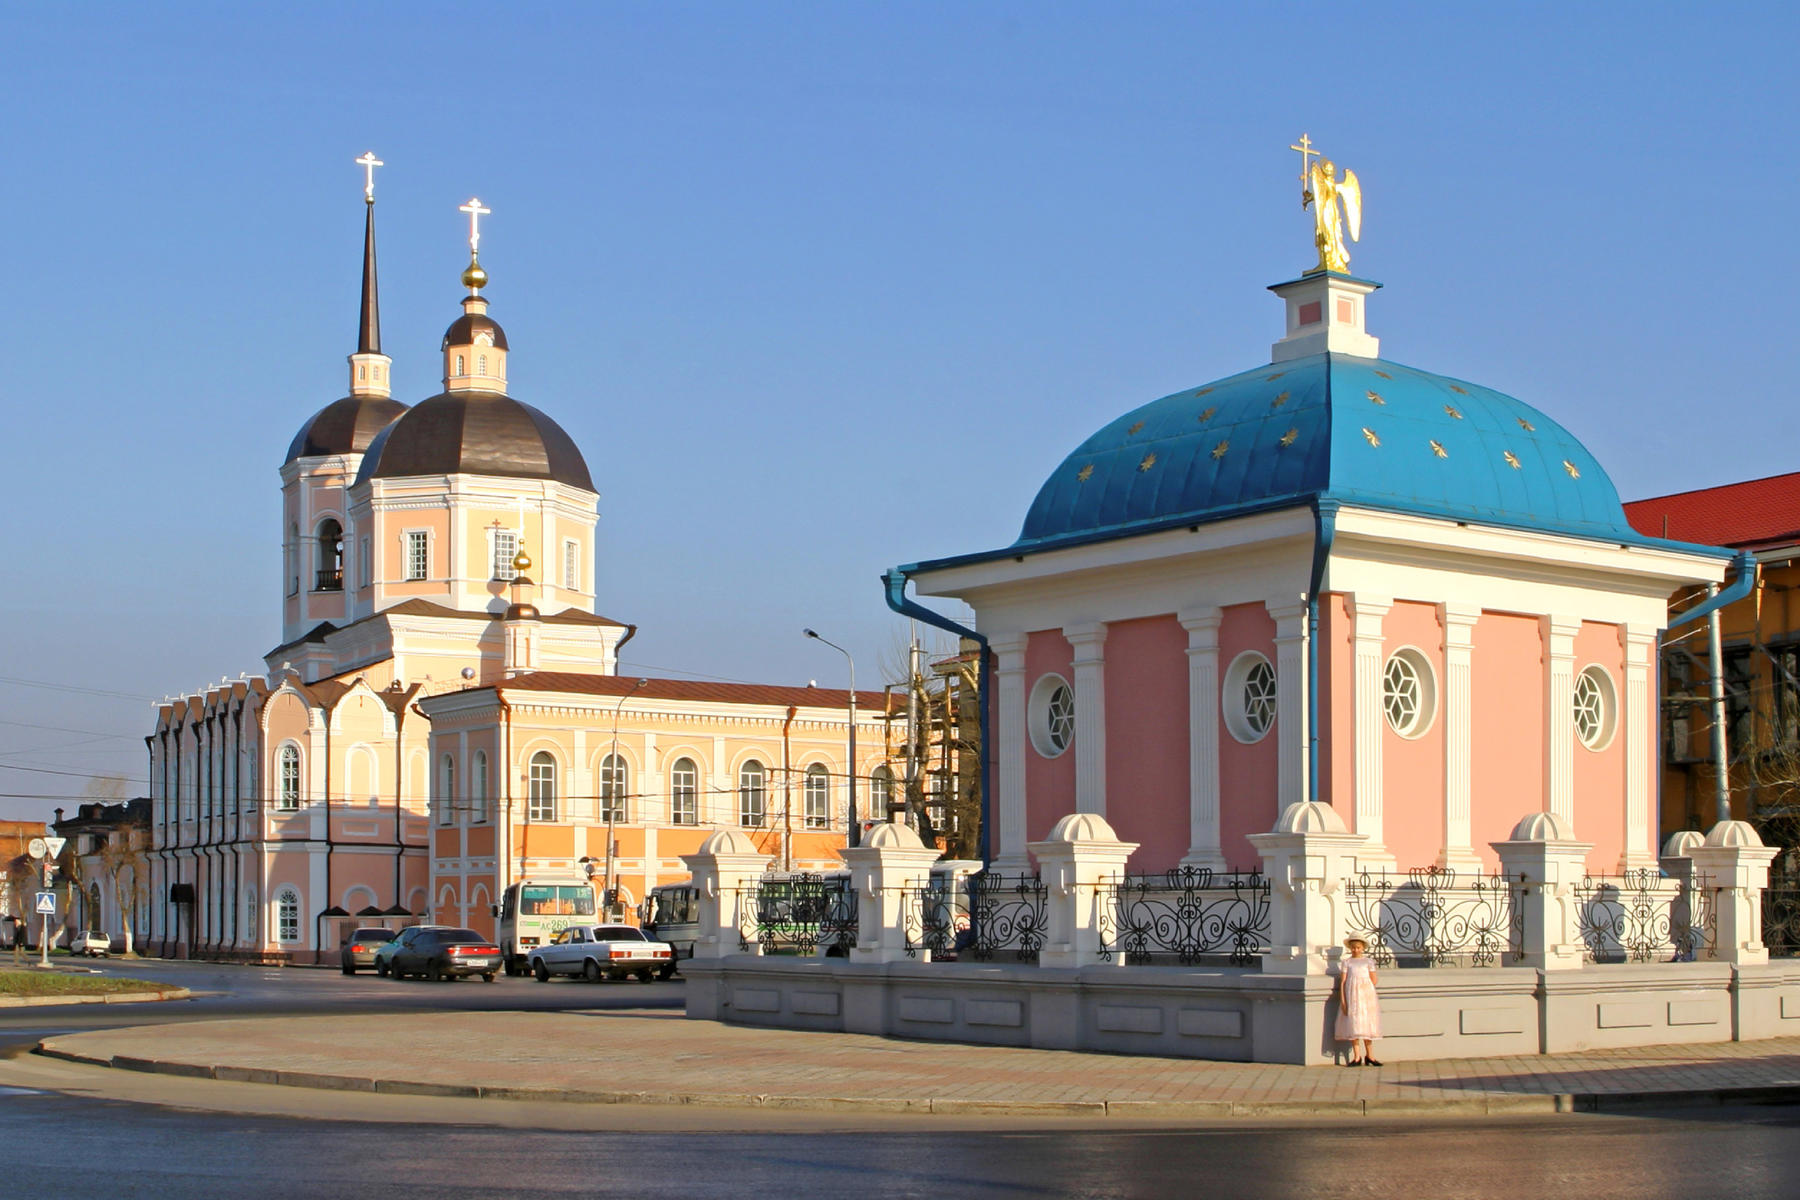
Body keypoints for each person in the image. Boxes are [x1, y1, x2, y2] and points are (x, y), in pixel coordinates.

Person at [1335, 936, 1382, 1066]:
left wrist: (1364, 988)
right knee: (1354, 1024)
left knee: (1367, 1024)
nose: (1355, 950)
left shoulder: (1368, 962)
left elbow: (1374, 980)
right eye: (1353, 948)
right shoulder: (1347, 962)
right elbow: (1343, 981)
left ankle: (1370, 1055)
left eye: (1358, 947)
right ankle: (1357, 1056)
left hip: (1366, 996)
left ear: (1363, 948)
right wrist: (1343, 1000)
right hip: (1352, 997)